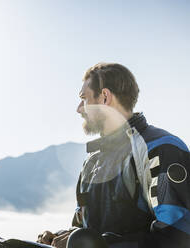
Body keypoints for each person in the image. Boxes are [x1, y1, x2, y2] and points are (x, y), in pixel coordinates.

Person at [37, 63, 190, 248]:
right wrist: (60, 238)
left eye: (84, 98)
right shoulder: (92, 162)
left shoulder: (161, 149)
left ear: (104, 97)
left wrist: (99, 244)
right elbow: (85, 231)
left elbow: (179, 238)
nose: (79, 108)